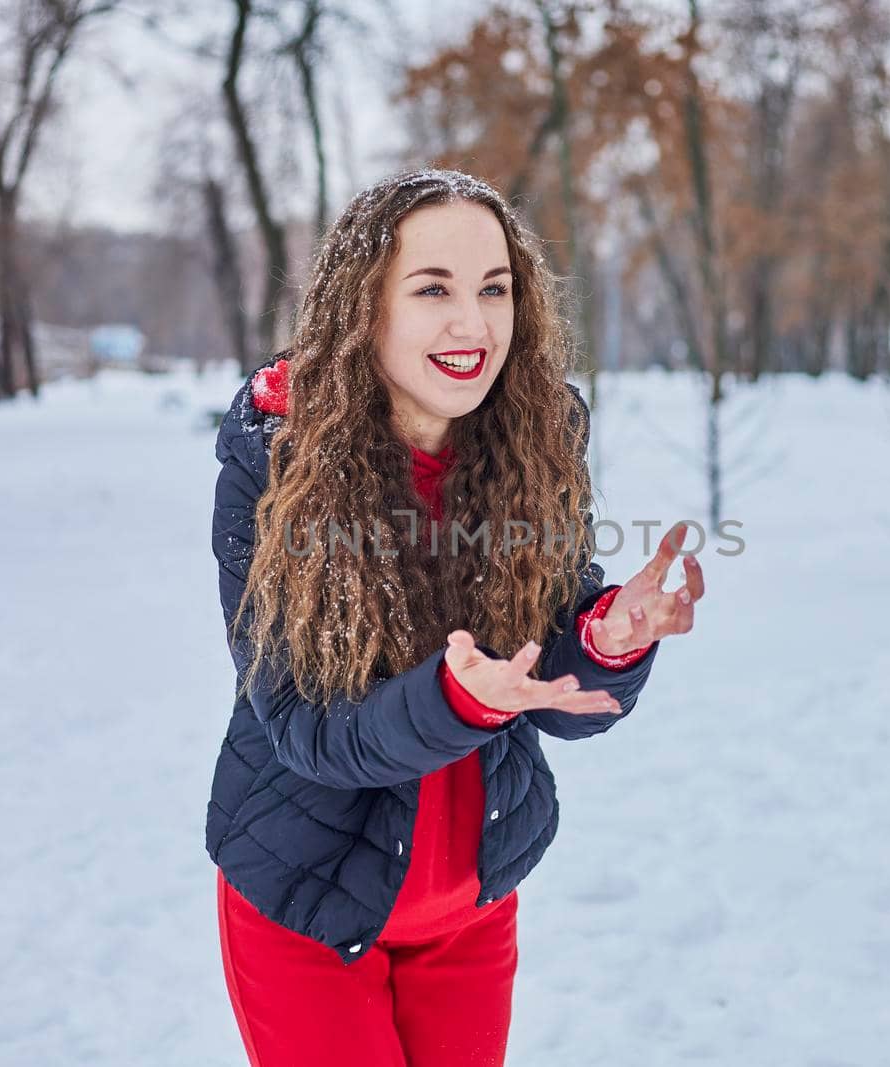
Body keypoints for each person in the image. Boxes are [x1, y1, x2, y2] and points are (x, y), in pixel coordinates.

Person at [206, 168, 705, 1066]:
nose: (473, 325)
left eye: (495, 289)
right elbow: (308, 728)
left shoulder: (534, 439)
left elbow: (547, 682)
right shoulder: (274, 461)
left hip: (469, 908)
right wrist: (455, 701)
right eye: (433, 288)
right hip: (309, 902)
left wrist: (605, 637)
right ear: (365, 307)